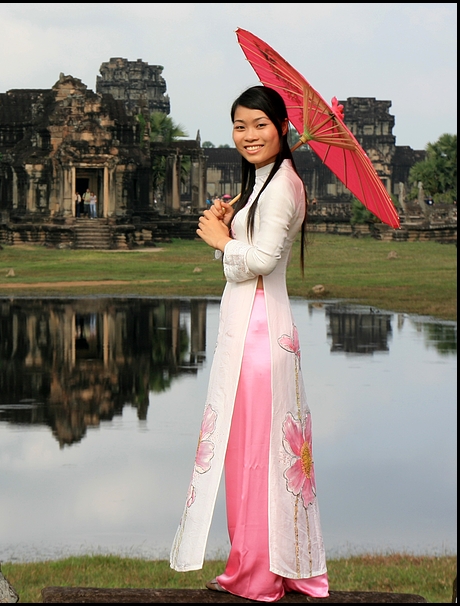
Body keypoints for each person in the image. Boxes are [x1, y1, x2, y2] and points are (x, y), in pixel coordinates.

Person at [169, 85, 329, 602]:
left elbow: (258, 263)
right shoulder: (265, 183)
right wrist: (231, 222)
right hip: (256, 325)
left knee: (258, 457)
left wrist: (222, 240)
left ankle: (259, 577)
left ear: (283, 127)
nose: (248, 135)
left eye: (260, 124)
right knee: (248, 454)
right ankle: (258, 565)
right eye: (240, 125)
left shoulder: (281, 185)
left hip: (260, 335)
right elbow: (253, 252)